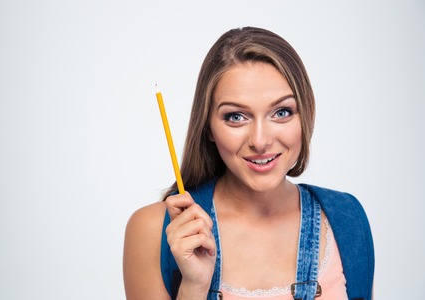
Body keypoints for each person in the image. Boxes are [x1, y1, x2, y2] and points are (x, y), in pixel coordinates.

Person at [123, 27, 374, 300]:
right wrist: (193, 287)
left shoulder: (347, 220)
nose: (260, 140)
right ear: (208, 127)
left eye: (281, 112)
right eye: (236, 117)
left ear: (305, 115)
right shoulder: (153, 230)